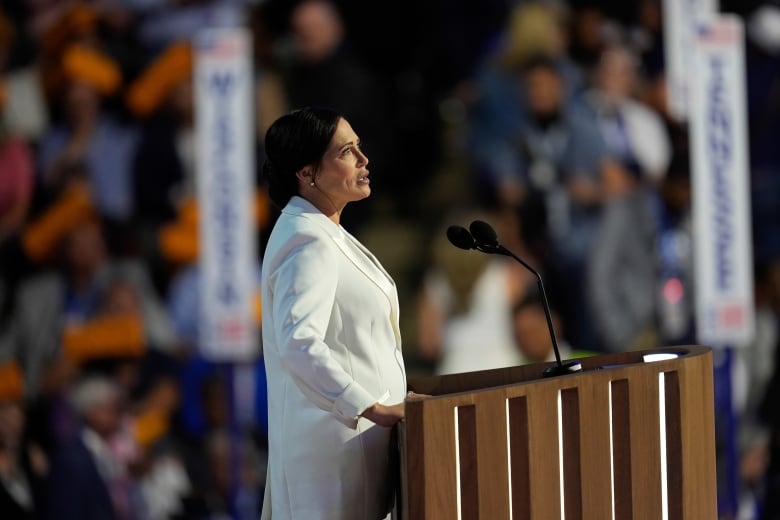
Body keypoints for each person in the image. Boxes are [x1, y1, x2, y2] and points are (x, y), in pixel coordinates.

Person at [260, 107, 413, 519]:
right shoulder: (307, 241)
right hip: (335, 457)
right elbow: (299, 344)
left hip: (353, 448)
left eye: (359, 147)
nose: (364, 160)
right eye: (347, 151)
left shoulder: (320, 230)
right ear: (306, 172)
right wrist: (372, 408)